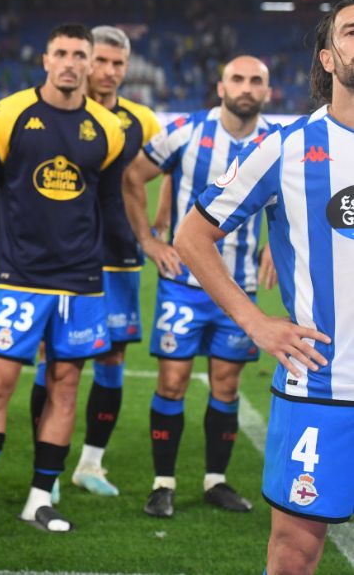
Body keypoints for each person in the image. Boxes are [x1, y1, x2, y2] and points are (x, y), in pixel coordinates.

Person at [175, 0, 350, 575]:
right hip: (320, 386)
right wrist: (254, 320)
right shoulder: (287, 146)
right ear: (328, 57)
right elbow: (193, 236)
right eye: (353, 31)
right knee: (296, 551)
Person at [0, 24, 127, 538]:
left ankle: (40, 499)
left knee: (65, 387)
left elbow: (107, 201)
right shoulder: (9, 115)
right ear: (45, 59)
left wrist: (126, 249)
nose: (70, 62)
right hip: (20, 277)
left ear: (91, 64)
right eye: (61, 52)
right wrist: (4, 251)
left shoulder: (108, 129)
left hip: (82, 282)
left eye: (79, 55)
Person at [123, 55, 277, 519]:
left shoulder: (276, 141)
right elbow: (133, 176)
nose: (246, 87)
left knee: (226, 385)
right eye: (238, 79)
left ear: (267, 92)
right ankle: (163, 483)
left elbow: (295, 201)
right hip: (183, 285)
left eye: (256, 81)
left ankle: (216, 481)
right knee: (172, 381)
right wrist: (148, 240)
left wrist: (276, 246)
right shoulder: (187, 132)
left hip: (240, 287)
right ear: (221, 86)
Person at [28, 26, 162, 497]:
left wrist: (157, 230)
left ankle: (90, 463)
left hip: (120, 256)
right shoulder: (53, 113)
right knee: (56, 358)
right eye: (100, 61)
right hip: (62, 258)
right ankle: (46, 468)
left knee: (112, 355)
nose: (107, 72)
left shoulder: (143, 120)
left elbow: (157, 174)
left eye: (117, 64)